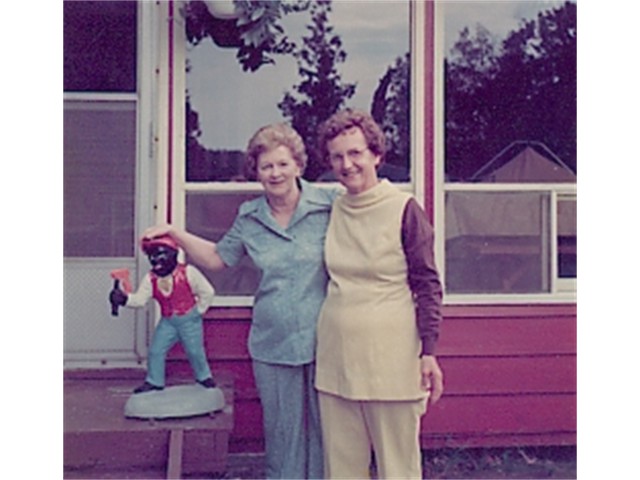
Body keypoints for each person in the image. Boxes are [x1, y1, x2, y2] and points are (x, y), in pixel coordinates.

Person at [142, 123, 337, 479]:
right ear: (257, 172)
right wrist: (174, 234)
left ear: (298, 165)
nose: (275, 173)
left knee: (329, 432)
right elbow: (218, 258)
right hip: (273, 344)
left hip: (328, 341)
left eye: (282, 164)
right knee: (282, 435)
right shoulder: (250, 217)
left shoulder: (330, 206)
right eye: (267, 166)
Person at [314, 109, 444, 479]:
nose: (347, 164)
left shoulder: (404, 209)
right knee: (342, 469)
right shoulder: (331, 207)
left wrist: (429, 352)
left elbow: (428, 284)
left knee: (398, 467)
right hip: (336, 357)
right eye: (337, 156)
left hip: (392, 360)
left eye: (356, 153)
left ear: (376, 155)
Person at [109, 234, 217, 394]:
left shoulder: (189, 273)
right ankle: (154, 381)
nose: (156, 259)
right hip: (168, 321)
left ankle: (204, 377)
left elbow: (207, 292)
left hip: (189, 319)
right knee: (156, 350)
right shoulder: (150, 279)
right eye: (152, 256)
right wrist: (124, 299)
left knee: (195, 351)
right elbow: (140, 299)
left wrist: (197, 312)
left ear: (173, 254)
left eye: (161, 254)